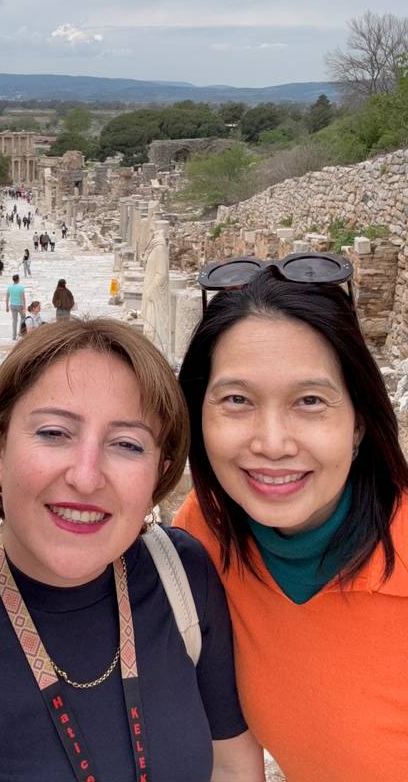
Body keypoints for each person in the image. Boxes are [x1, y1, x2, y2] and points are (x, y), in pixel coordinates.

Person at [0, 318, 263, 781]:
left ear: (159, 473)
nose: (86, 477)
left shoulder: (183, 575)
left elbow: (232, 765)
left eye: (127, 444)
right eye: (54, 433)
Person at [174, 259, 408, 782]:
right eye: (236, 400)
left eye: (309, 401)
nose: (272, 443)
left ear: (359, 424)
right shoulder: (204, 536)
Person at [5, 274, 26, 341]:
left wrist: (7, 307)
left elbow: (7, 298)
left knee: (14, 320)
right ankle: (20, 332)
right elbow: (23, 298)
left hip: (12, 305)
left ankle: (14, 335)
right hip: (19, 305)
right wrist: (24, 306)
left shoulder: (9, 287)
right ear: (18, 279)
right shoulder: (21, 287)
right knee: (23, 317)